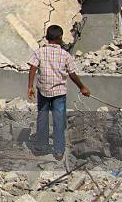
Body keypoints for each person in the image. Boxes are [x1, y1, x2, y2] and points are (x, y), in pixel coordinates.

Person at [27, 25, 90, 160]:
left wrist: (30, 86)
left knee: (42, 118)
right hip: (59, 92)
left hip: (43, 91)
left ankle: (41, 146)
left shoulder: (39, 52)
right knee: (59, 120)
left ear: (47, 38)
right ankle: (59, 150)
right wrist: (82, 87)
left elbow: (32, 68)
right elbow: (72, 74)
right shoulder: (65, 55)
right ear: (60, 38)